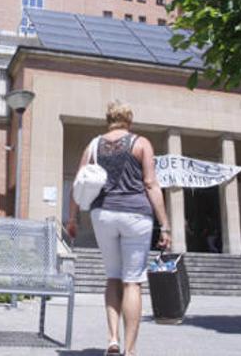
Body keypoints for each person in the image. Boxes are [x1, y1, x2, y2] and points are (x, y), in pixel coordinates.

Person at [67, 101, 172, 356]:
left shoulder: (93, 145)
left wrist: (72, 218)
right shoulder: (141, 143)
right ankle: (131, 350)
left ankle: (112, 339)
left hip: (103, 214)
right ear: (130, 120)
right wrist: (165, 225)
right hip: (137, 215)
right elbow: (150, 184)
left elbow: (79, 182)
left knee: (113, 276)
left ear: (108, 119)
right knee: (133, 281)